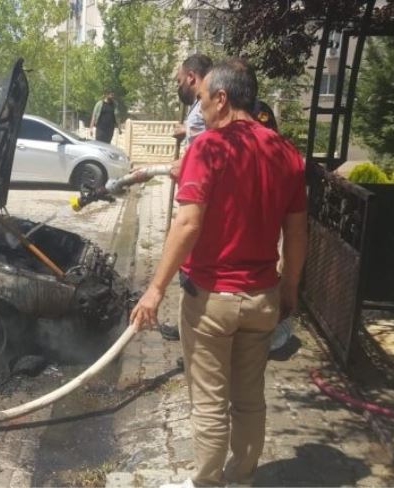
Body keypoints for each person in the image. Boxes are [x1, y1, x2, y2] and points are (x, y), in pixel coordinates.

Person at [129, 59, 308, 487]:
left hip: (211, 302)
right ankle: (241, 480)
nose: (201, 109)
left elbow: (188, 224)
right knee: (248, 401)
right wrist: (290, 287)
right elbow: (297, 231)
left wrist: (154, 290)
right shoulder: (286, 153)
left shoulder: (209, 148)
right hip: (263, 297)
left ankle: (208, 484)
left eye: (203, 100)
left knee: (210, 404)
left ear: (223, 100)